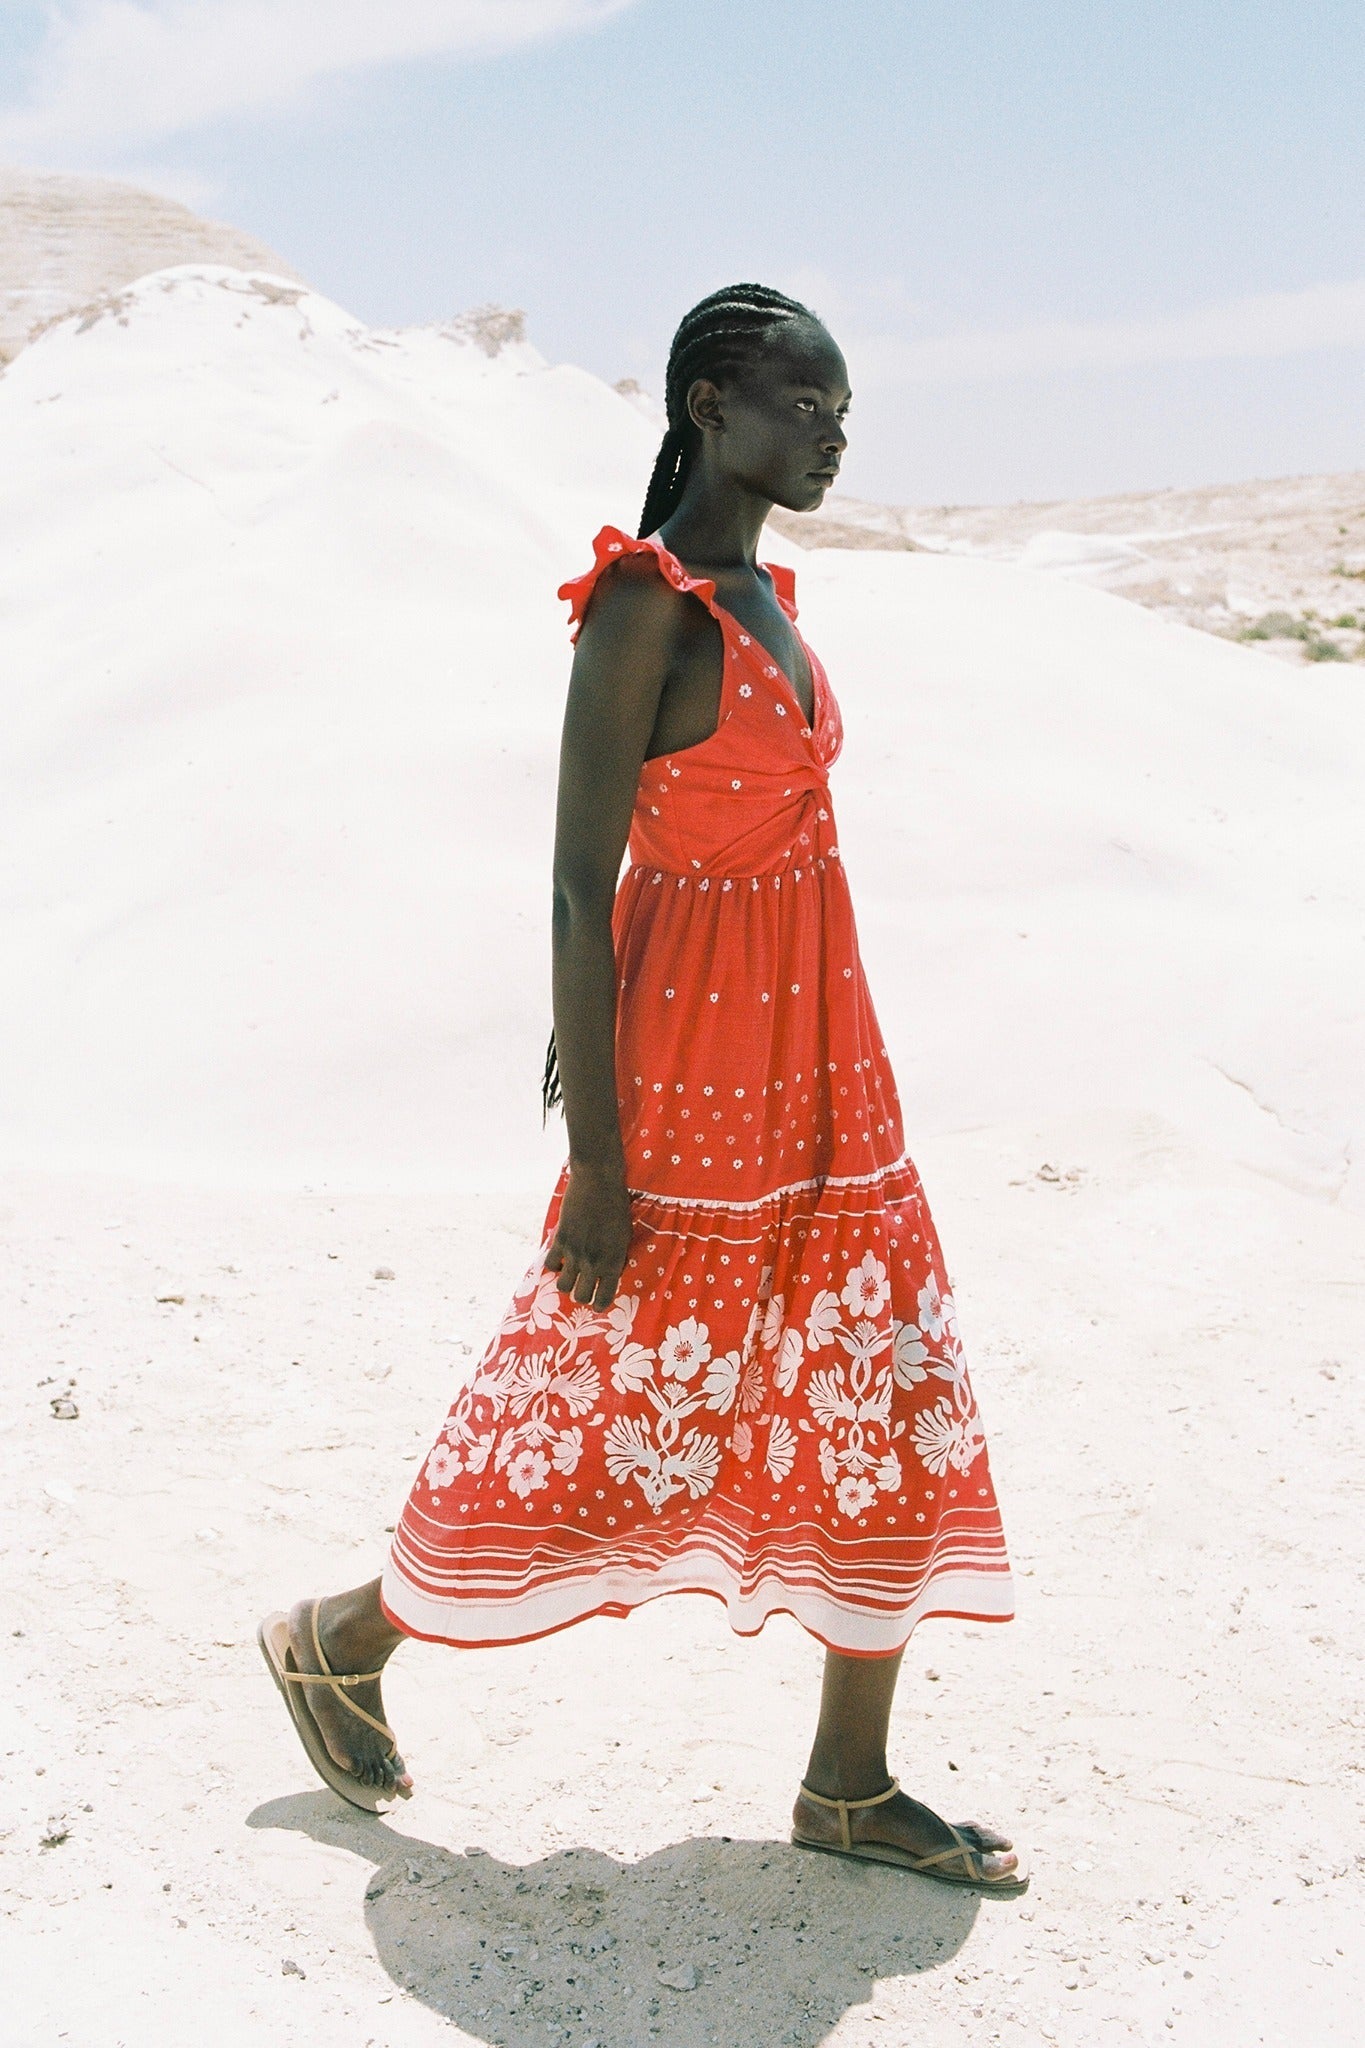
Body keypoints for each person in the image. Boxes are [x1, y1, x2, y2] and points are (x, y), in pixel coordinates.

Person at [260, 284, 1024, 1892]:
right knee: (599, 1391)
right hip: (689, 1076)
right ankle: (339, 1635)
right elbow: (568, 884)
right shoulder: (647, 605)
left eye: (840, 415)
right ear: (704, 407)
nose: (829, 437)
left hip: (827, 1060)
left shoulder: (765, 593)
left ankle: (846, 1781)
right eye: (801, 409)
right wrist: (594, 1166)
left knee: (880, 1379)